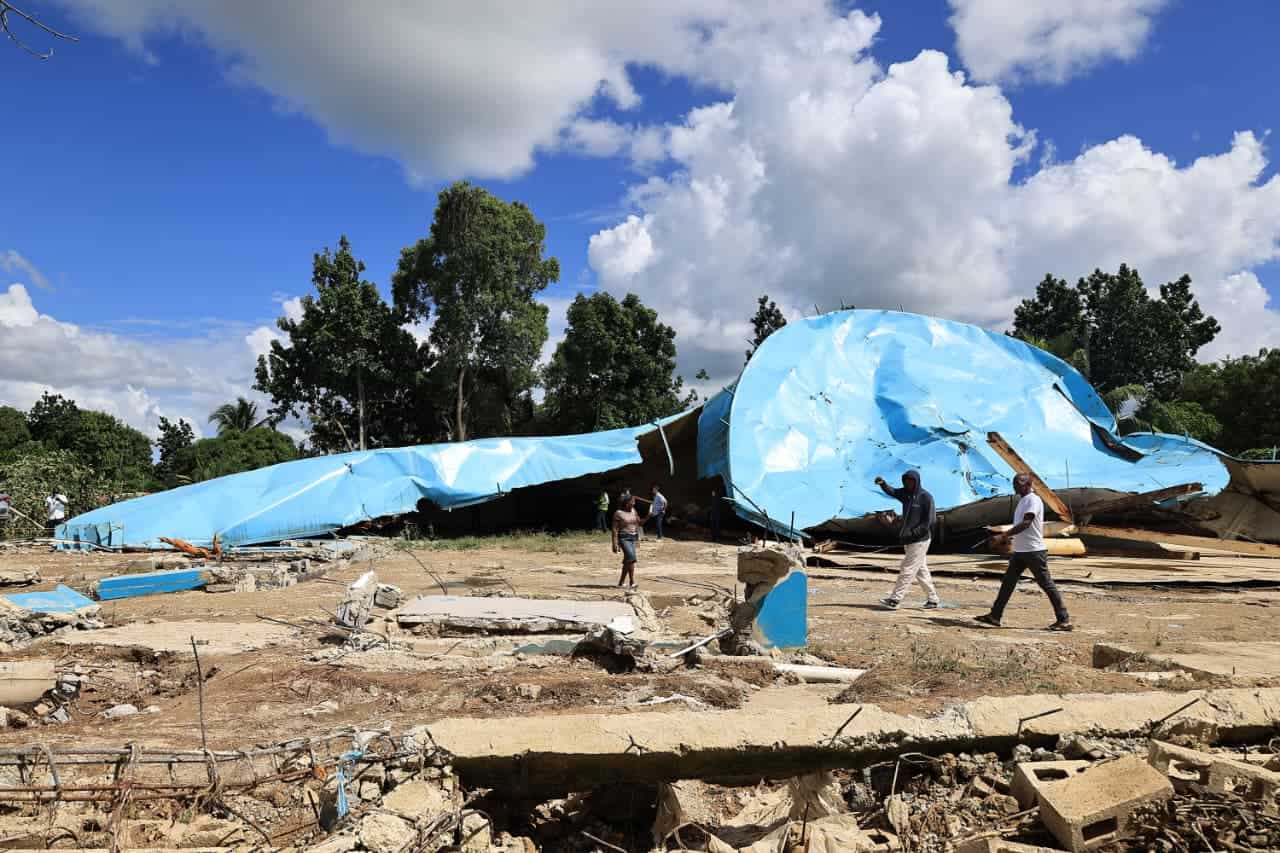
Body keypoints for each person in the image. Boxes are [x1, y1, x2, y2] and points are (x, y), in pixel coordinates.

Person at [975, 473, 1073, 631]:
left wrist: (1004, 535)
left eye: (1019, 483)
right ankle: (995, 616)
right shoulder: (1023, 500)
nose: (1015, 486)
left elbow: (1026, 523)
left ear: (1028, 485)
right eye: (1014, 483)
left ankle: (1064, 619)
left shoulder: (1033, 500)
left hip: (1034, 551)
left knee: (1046, 584)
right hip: (1021, 551)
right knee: (1007, 583)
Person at [874, 470, 939, 610]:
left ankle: (895, 600)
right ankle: (933, 599)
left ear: (917, 481)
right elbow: (892, 492)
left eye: (911, 481)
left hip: (920, 540)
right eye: (906, 481)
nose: (908, 483)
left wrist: (914, 533)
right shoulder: (906, 495)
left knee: (907, 569)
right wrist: (883, 484)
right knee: (921, 570)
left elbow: (929, 521)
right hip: (908, 539)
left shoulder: (926, 497)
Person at [611, 492, 646, 589]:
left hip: (633, 538)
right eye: (632, 502)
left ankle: (621, 583)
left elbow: (639, 523)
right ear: (627, 503)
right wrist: (614, 544)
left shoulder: (634, 511)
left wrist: (649, 515)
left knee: (629, 560)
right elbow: (614, 529)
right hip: (623, 538)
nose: (634, 503)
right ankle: (632, 582)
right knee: (631, 557)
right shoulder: (618, 513)